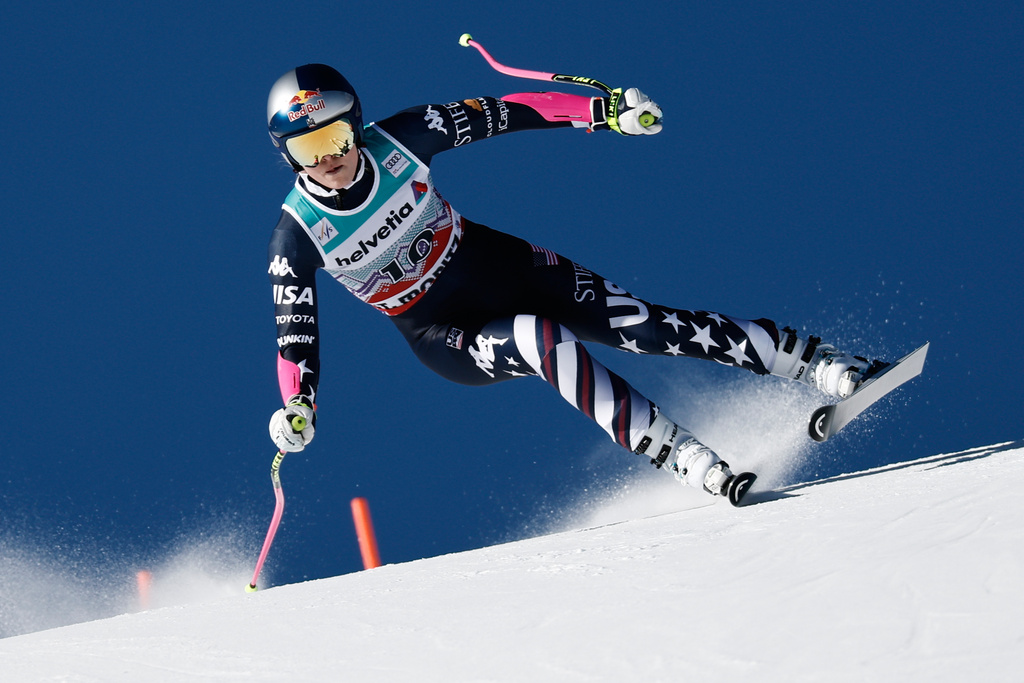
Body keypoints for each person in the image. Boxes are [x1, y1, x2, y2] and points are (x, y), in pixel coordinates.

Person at [265, 63, 881, 505]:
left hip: (501, 265)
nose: (330, 157)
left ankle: (823, 364)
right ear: (289, 158)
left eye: (338, 135)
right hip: (444, 333)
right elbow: (296, 334)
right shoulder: (297, 237)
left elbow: (501, 112)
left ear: (359, 125)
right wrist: (299, 405)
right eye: (311, 146)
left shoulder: (402, 138)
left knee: (643, 326)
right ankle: (682, 455)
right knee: (537, 339)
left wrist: (604, 109)